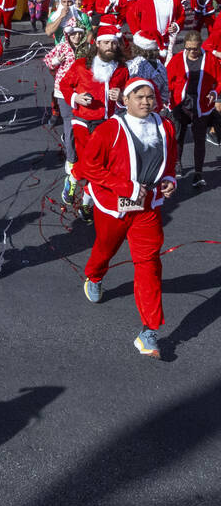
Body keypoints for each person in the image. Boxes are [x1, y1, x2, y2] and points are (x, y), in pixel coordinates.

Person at [78, 78, 177, 358]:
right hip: (114, 206)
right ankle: (94, 276)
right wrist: (126, 186)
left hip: (147, 208)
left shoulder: (165, 126)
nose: (146, 102)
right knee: (106, 248)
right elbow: (89, 166)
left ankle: (149, 332)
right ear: (126, 101)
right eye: (139, 97)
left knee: (149, 264)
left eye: (150, 97)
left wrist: (169, 179)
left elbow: (170, 158)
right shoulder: (111, 129)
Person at [61, 31, 130, 215]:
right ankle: (77, 182)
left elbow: (129, 96)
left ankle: (85, 200)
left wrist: (122, 97)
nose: (110, 47)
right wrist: (77, 97)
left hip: (107, 122)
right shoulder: (81, 65)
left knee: (100, 164)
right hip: (82, 119)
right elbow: (64, 85)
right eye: (106, 43)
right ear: (97, 44)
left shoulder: (122, 69)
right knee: (90, 161)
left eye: (113, 43)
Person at [166, 32, 221, 188]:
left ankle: (198, 173)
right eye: (188, 49)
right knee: (178, 136)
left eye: (195, 49)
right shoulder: (177, 60)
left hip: (202, 105)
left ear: (200, 45)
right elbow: (168, 82)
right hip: (180, 104)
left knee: (199, 140)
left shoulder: (210, 59)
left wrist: (214, 92)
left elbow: (219, 80)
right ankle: (177, 163)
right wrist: (167, 99)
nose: (192, 52)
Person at [44, 24, 88, 165]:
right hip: (63, 93)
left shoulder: (87, 48)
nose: (77, 36)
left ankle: (81, 155)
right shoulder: (62, 47)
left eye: (79, 34)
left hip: (82, 91)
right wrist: (57, 61)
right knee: (69, 124)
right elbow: (48, 61)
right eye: (73, 34)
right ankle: (71, 160)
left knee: (82, 125)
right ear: (68, 35)